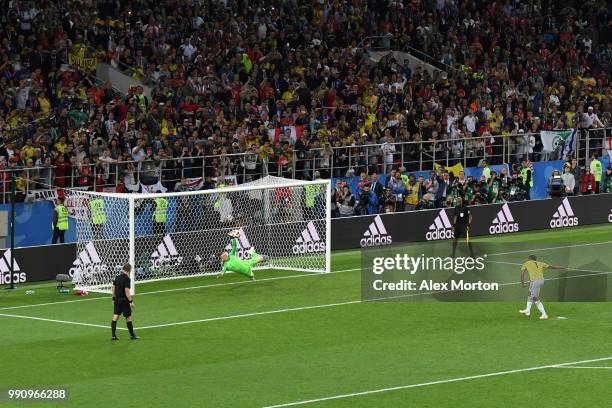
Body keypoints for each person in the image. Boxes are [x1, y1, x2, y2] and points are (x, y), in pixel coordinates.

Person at [519, 255, 565, 320]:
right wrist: (561, 267)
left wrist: (522, 283)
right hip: (540, 280)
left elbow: (522, 273)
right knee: (530, 294)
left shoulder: (526, 263)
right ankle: (528, 311)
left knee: (535, 298)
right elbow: (551, 267)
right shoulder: (540, 263)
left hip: (535, 281)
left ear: (529, 259)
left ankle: (544, 314)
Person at [111, 264, 139, 340]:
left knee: (115, 317)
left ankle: (113, 336)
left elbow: (113, 288)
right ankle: (132, 335)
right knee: (128, 318)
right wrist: (131, 301)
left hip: (117, 300)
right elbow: (127, 291)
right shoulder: (127, 279)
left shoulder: (117, 277)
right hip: (124, 301)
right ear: (129, 270)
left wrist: (113, 298)